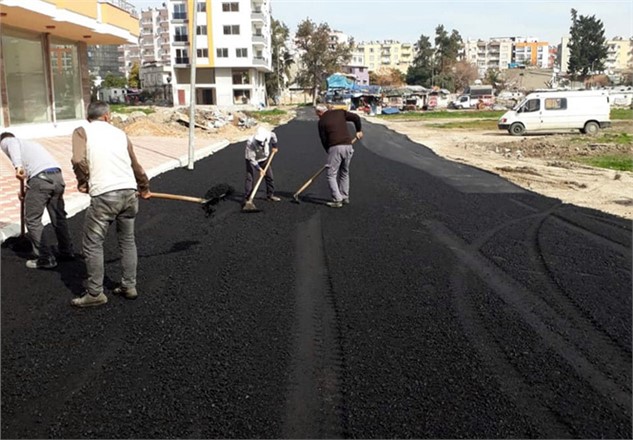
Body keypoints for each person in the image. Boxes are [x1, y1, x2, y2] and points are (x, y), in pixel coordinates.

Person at [70, 101, 150, 308]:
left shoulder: (82, 131)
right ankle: (129, 286)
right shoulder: (120, 134)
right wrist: (143, 187)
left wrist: (83, 182)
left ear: (90, 117)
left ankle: (95, 293)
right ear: (106, 116)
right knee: (127, 241)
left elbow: (78, 160)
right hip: (129, 193)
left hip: (105, 196)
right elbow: (135, 164)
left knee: (93, 243)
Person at [0, 132, 74, 269]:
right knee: (59, 217)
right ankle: (67, 251)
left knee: (32, 219)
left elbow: (11, 144)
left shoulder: (8, 141)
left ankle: (46, 258)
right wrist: (27, 192)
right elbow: (35, 170)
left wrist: (18, 166)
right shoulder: (31, 145)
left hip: (41, 180)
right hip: (57, 177)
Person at [314, 104, 363, 208]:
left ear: (320, 112)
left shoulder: (321, 122)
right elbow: (356, 118)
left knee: (331, 174)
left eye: (317, 114)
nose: (317, 116)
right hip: (348, 146)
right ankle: (345, 196)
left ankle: (337, 199)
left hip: (335, 147)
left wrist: (329, 152)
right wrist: (358, 130)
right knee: (344, 172)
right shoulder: (340, 112)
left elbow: (324, 140)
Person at [244, 126, 280, 203]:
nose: (260, 143)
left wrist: (275, 146)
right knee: (250, 178)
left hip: (264, 158)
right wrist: (260, 169)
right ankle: (248, 199)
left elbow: (274, 137)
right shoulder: (250, 143)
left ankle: (270, 196)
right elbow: (252, 159)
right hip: (252, 160)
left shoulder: (269, 134)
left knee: (270, 177)